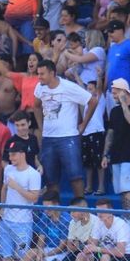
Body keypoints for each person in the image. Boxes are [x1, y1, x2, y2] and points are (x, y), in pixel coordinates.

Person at [33, 59, 95, 198]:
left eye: (42, 74)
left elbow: (92, 101)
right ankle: (54, 215)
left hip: (68, 137)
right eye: (38, 74)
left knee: (75, 176)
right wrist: (41, 127)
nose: (39, 77)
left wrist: (83, 125)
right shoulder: (40, 87)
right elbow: (36, 105)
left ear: (52, 73)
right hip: (48, 138)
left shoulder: (68, 87)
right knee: (50, 178)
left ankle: (81, 212)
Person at [0, 140, 42, 261]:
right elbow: (4, 189)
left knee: (23, 256)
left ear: (23, 154)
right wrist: (2, 208)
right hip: (6, 220)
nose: (11, 157)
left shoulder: (33, 174)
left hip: (23, 222)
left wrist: (17, 187)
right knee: (6, 253)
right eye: (10, 154)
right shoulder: (8, 169)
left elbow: (34, 198)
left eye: (14, 154)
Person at [103, 78, 130, 213]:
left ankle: (129, 222)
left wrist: (123, 103)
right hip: (116, 155)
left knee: (128, 189)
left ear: (123, 92)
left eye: (115, 93)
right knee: (121, 190)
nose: (113, 96)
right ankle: (126, 218)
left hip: (129, 154)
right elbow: (110, 134)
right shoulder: (114, 111)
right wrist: (105, 154)